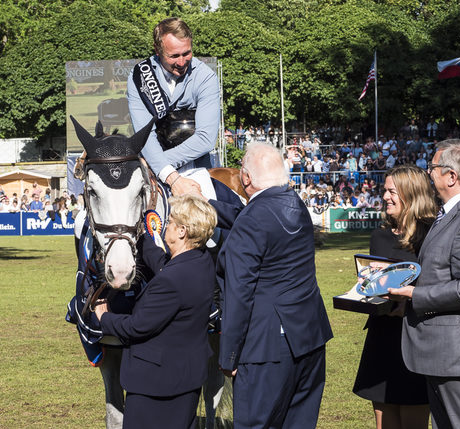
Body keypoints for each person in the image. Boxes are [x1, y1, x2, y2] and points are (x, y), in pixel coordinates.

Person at [217, 143, 333, 428]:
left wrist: (229, 354)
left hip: (265, 348)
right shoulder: (295, 204)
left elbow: (239, 294)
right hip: (309, 338)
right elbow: (259, 220)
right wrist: (209, 205)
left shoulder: (253, 220)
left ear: (246, 178)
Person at [389, 140, 460, 429]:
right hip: (446, 352)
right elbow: (443, 271)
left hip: (458, 353)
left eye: (433, 168)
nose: (429, 173)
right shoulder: (457, 212)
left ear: (451, 176)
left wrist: (416, 294)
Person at [95, 194, 217, 429]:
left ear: (182, 231)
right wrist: (140, 238)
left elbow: (136, 327)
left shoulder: (170, 281)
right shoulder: (201, 261)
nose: (165, 228)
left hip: (155, 385)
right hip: (187, 377)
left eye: (170, 222)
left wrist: (104, 316)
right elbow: (163, 263)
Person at [353, 165, 436, 429]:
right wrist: (364, 287)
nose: (385, 196)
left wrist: (408, 304)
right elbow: (376, 284)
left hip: (416, 339)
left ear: (412, 195)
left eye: (392, 191)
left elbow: (438, 286)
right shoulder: (379, 235)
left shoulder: (432, 235)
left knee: (413, 421)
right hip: (383, 337)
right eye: (385, 190)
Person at [127, 17, 220, 196]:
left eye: (187, 53)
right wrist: (166, 172)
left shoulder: (206, 77)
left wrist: (160, 163)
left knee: (209, 219)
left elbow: (206, 139)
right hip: (151, 170)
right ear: (157, 50)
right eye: (174, 56)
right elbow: (145, 134)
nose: (182, 62)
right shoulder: (139, 77)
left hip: (196, 169)